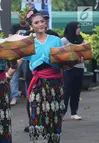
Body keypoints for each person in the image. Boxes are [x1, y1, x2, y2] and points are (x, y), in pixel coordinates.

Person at [22, 9, 66, 142]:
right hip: (36, 81)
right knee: (36, 114)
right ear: (31, 26)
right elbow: (18, 59)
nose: (41, 24)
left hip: (54, 81)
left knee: (54, 114)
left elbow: (62, 62)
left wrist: (71, 62)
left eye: (42, 21)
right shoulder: (28, 42)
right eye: (36, 22)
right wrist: (8, 72)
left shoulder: (56, 40)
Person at [62, 21, 84, 120]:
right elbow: (59, 53)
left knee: (76, 91)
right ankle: (62, 112)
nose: (79, 29)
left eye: (79, 27)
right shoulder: (64, 40)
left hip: (80, 67)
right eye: (77, 27)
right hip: (69, 69)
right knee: (66, 91)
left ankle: (74, 112)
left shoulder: (81, 39)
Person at [9, 12, 30, 105]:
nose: (21, 18)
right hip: (16, 55)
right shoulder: (15, 27)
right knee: (14, 77)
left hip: (27, 55)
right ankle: (14, 97)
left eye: (23, 17)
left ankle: (28, 95)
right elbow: (10, 38)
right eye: (19, 17)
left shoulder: (30, 28)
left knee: (28, 76)